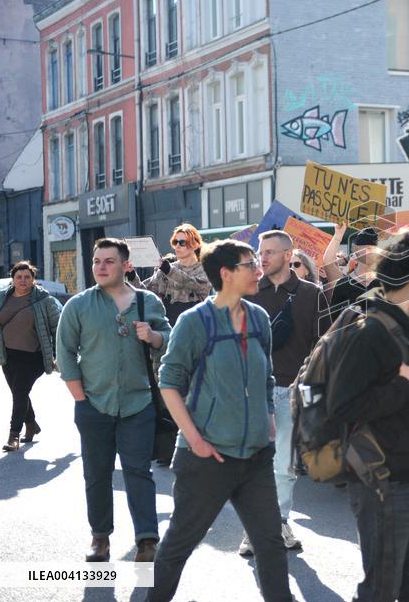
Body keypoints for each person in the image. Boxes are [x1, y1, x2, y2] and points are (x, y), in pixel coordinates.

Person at [150, 239, 291, 602]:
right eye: (250, 264)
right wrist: (194, 438)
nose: (258, 269)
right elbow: (169, 382)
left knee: (271, 542)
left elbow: (267, 376)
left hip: (256, 455)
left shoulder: (259, 317)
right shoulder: (194, 322)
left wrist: (269, 417)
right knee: (179, 544)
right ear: (226, 274)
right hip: (207, 457)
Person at [328, 231, 409, 602]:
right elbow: (342, 408)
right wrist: (406, 386)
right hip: (382, 482)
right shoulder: (365, 328)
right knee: (381, 589)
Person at [56, 238, 170, 563]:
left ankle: (147, 540)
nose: (101, 267)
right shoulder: (78, 305)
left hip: (138, 404)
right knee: (97, 473)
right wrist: (81, 398)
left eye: (109, 261)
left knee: (139, 472)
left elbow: (170, 337)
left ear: (125, 265)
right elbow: (64, 352)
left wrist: (155, 336)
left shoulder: (147, 302)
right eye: (96, 261)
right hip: (94, 404)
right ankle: (100, 537)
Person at [240, 230, 330, 557]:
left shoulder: (312, 294)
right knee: (253, 464)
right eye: (260, 252)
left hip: (291, 390)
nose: (261, 258)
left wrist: (312, 389)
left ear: (288, 255)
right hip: (252, 391)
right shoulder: (249, 293)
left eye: (270, 252)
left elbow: (323, 345)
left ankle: (275, 522)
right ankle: (259, 527)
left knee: (284, 466)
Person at [0, 261, 62, 451]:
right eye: (19, 277)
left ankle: (13, 435)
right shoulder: (2, 297)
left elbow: (58, 329)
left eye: (27, 277)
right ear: (13, 279)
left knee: (20, 392)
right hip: (8, 354)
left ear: (33, 279)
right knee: (18, 392)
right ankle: (32, 425)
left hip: (33, 356)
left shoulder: (44, 300)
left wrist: (59, 354)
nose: (23, 280)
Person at [143, 223, 212, 326]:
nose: (177, 246)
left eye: (182, 242)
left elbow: (194, 284)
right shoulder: (166, 269)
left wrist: (169, 270)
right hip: (169, 329)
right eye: (175, 242)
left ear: (195, 244)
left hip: (195, 328)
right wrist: (131, 276)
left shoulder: (204, 269)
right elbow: (144, 292)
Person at [325, 225, 381, 319]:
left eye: (375, 249)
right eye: (368, 249)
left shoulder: (385, 284)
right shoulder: (343, 285)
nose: (372, 253)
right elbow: (329, 264)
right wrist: (338, 236)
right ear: (357, 250)